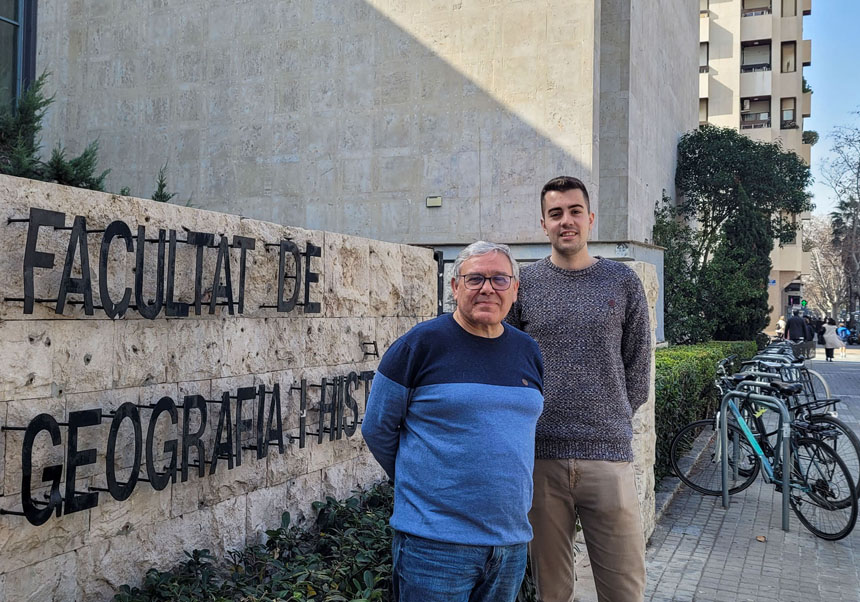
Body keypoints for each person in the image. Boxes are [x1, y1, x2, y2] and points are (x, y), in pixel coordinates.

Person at [362, 241, 544, 602]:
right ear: (455, 286)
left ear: (515, 289)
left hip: (509, 544)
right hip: (435, 546)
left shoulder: (527, 350)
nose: (487, 288)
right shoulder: (421, 344)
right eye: (475, 278)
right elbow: (377, 427)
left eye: (499, 279)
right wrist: (421, 482)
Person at [507, 176, 651, 602]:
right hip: (541, 461)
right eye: (556, 214)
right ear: (543, 224)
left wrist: (612, 416)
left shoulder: (621, 282)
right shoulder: (524, 285)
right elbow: (511, 363)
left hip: (608, 458)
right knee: (552, 592)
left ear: (590, 219)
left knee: (625, 589)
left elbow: (639, 366)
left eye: (574, 212)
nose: (565, 221)